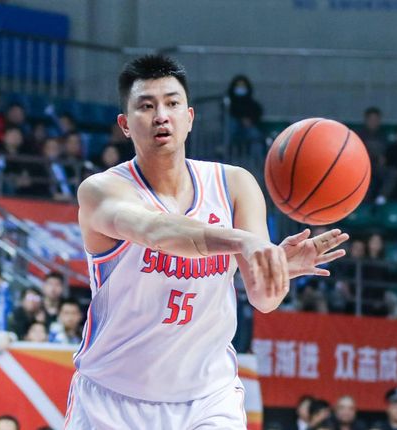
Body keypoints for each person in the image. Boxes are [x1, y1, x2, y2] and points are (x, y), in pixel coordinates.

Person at [65, 55, 348, 429]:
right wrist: (244, 242)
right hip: (113, 398)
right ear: (125, 125)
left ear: (190, 117)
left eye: (172, 103)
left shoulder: (235, 184)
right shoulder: (102, 190)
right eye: (146, 106)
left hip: (208, 399)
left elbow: (263, 300)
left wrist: (274, 270)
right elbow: (158, 232)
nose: (161, 116)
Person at [357, 107, 390, 205]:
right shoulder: (359, 135)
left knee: (393, 173)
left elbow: (388, 153)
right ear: (366, 120)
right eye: (371, 119)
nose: (373, 122)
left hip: (379, 167)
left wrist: (384, 159)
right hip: (363, 167)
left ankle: (381, 198)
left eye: (376, 119)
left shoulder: (383, 135)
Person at [227, 75, 264, 157]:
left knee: (255, 135)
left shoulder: (253, 104)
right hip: (233, 129)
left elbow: (257, 114)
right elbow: (229, 114)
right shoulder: (228, 104)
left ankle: (257, 160)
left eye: (242, 86)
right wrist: (241, 119)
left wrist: (250, 121)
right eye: (238, 86)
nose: (240, 88)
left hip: (248, 128)